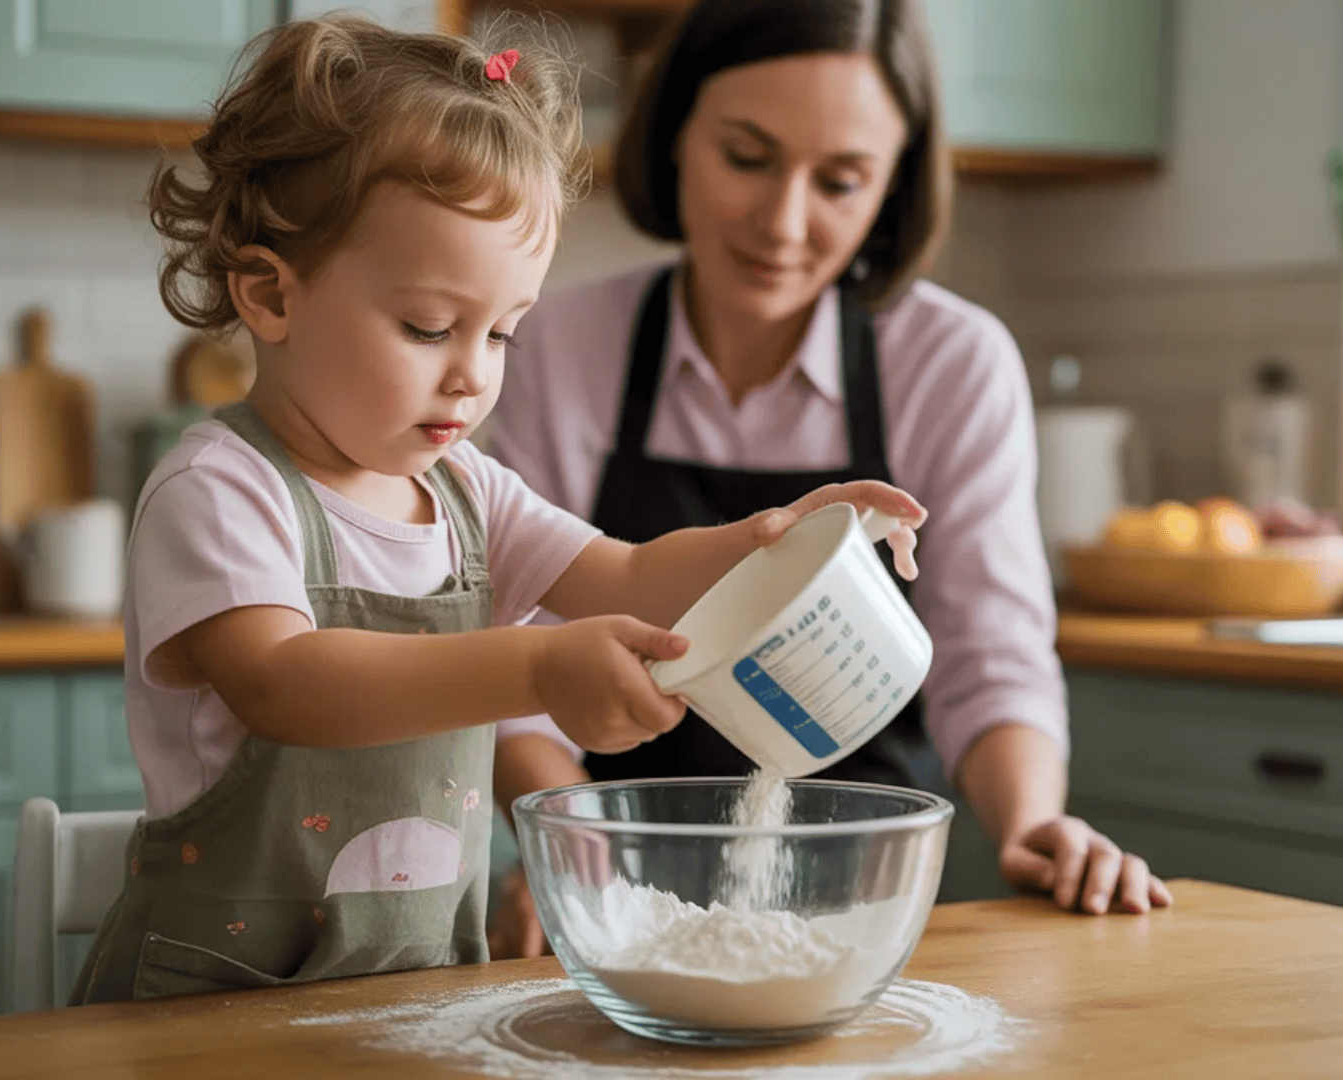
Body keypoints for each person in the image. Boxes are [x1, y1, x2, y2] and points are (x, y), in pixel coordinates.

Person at [71, 13, 926, 1005]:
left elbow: (629, 572)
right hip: (211, 1013)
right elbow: (286, 685)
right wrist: (534, 665)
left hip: (412, 997)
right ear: (270, 295)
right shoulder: (221, 492)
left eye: (504, 333)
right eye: (430, 327)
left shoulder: (469, 492)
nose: (472, 377)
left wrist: (780, 539)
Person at [487, 0, 1172, 958]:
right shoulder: (560, 347)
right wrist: (566, 853)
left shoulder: (951, 362)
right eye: (747, 157)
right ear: (677, 129)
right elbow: (514, 646)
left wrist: (1027, 827)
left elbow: (992, 649)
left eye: (842, 181)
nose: (784, 221)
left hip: (866, 916)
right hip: (617, 902)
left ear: (892, 187)